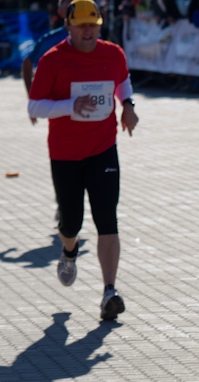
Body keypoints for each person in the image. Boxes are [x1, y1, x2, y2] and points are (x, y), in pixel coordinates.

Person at [28, 0, 139, 321]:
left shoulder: (113, 53)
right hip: (65, 154)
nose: (89, 31)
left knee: (107, 220)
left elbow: (123, 80)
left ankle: (109, 292)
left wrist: (128, 105)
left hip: (103, 149)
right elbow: (35, 107)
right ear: (69, 27)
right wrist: (70, 106)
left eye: (93, 25)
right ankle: (69, 250)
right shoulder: (53, 60)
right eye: (82, 26)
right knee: (71, 223)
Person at [22, 0, 72, 125]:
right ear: (60, 13)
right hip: (61, 114)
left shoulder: (94, 38)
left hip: (93, 110)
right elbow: (27, 64)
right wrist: (32, 98)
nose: (73, 9)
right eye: (68, 6)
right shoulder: (49, 40)